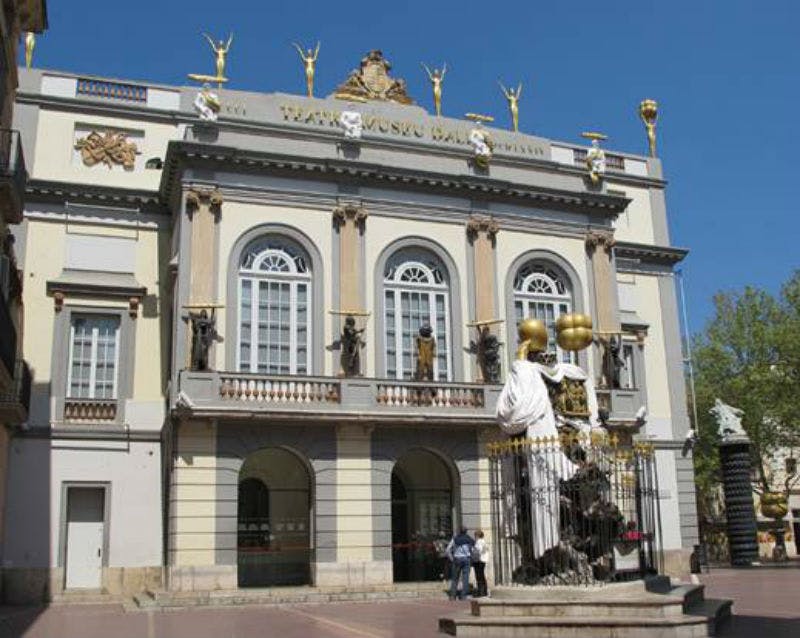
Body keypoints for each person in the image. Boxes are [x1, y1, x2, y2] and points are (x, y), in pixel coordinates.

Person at [445, 526, 474, 600]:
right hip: (466, 559)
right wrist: (471, 557)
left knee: (455, 578)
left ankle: (452, 595)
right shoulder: (469, 539)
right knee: (465, 578)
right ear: (466, 531)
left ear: (459, 531)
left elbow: (448, 550)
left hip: (457, 559)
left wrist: (452, 558)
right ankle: (463, 595)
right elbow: (473, 550)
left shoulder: (455, 539)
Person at [472, 530, 489, 597]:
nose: (474, 537)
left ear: (477, 536)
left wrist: (472, 552)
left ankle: (480, 592)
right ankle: (484, 591)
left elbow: (477, 551)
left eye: (475, 535)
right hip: (483, 560)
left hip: (478, 561)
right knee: (482, 576)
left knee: (479, 577)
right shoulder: (484, 542)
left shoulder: (478, 542)